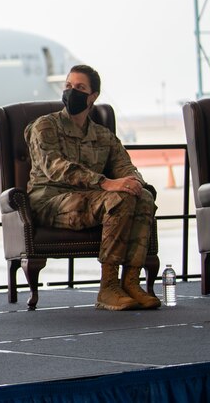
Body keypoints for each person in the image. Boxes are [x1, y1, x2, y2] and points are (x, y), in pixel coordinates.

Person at [25, 64, 160, 311]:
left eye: (80, 88)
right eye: (68, 86)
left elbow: (125, 166)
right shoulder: (45, 126)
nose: (71, 91)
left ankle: (131, 282)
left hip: (88, 199)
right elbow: (55, 167)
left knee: (142, 198)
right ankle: (108, 287)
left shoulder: (102, 135)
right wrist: (105, 183)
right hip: (50, 200)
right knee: (118, 199)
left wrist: (135, 183)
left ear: (93, 96)